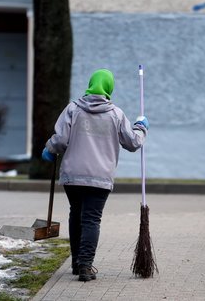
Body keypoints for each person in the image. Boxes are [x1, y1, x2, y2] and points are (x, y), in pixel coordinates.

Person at [41, 68, 149, 282]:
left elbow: (60, 139)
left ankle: (76, 262)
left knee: (76, 215)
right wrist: (141, 128)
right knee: (91, 219)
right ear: (109, 88)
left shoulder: (73, 108)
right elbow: (133, 143)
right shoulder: (116, 114)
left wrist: (49, 149)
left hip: (73, 176)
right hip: (100, 178)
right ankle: (85, 266)